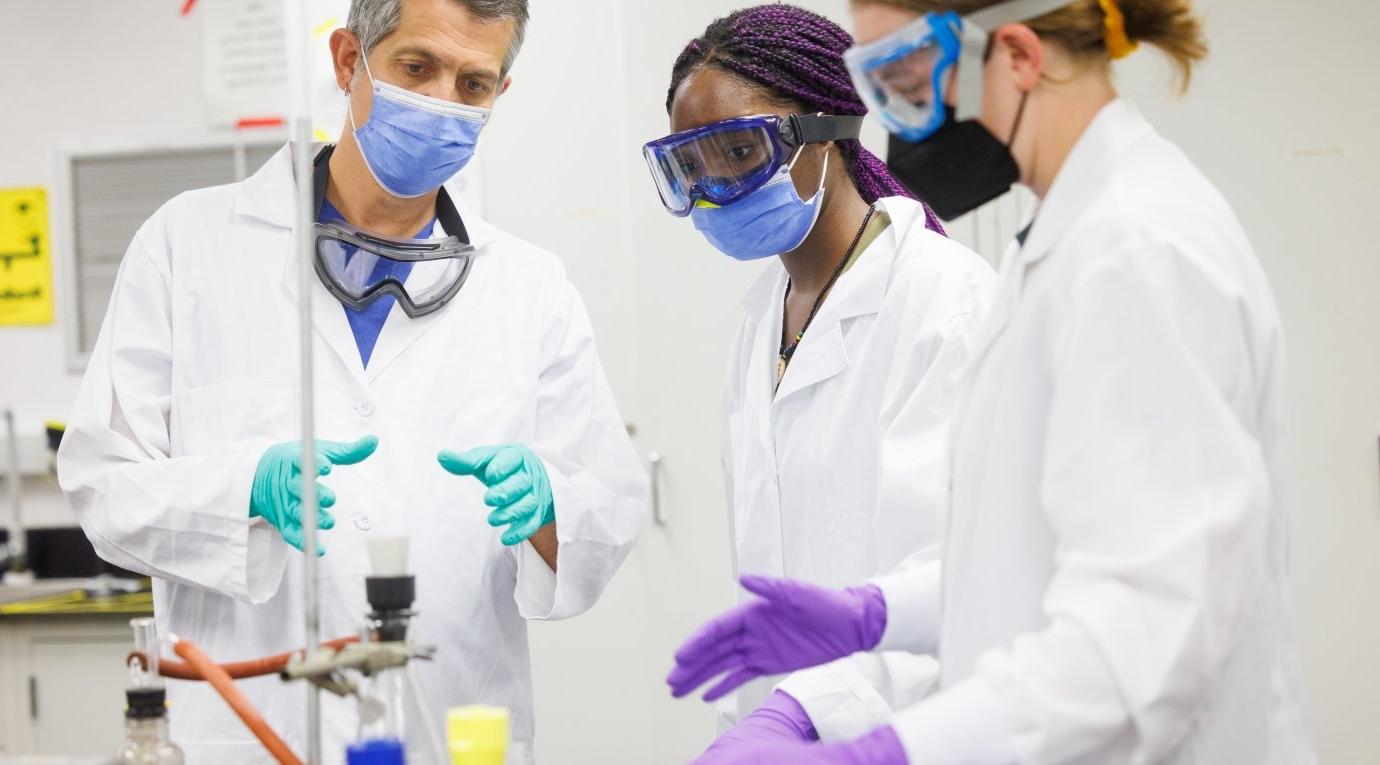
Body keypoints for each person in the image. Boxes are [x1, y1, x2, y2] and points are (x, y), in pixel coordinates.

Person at [666, 0, 1315, 763]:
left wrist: (878, 750)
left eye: (897, 76)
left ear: (1015, 55)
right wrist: (876, 613)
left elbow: (1144, 634)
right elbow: (1027, 564)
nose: (883, 116)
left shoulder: (1137, 251)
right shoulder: (1069, 237)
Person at [57, 0, 646, 762]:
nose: (442, 102)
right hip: (244, 730)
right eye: (416, 67)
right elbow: (102, 484)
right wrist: (241, 489)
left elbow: (606, 516)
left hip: (454, 726)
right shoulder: (188, 248)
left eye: (473, 84)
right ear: (347, 61)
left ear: (499, 96)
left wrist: (549, 507)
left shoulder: (532, 287)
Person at [643, 4, 994, 757]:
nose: (715, 187)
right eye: (690, 164)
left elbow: (951, 582)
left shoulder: (942, 300)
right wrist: (754, 723)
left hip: (902, 734)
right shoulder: (760, 321)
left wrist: (802, 714)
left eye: (738, 150)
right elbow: (772, 574)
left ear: (829, 132)